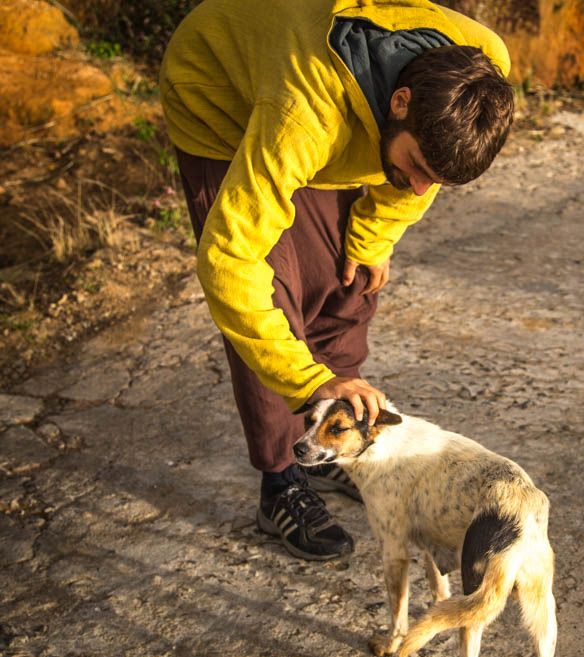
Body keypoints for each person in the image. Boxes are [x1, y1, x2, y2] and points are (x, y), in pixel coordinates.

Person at [160, 0, 514, 560]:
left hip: (328, 112)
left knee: (351, 276)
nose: (420, 190)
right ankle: (281, 481)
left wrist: (374, 236)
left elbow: (414, 182)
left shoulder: (481, 68)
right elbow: (230, 261)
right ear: (401, 102)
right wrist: (307, 382)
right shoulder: (304, 117)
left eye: (437, 180)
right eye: (418, 167)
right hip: (221, 102)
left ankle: (332, 440)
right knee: (272, 292)